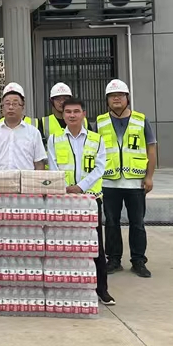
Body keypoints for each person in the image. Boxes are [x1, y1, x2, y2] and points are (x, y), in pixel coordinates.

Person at [47, 97, 115, 306]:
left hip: (90, 199)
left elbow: (100, 168)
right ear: (63, 114)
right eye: (68, 112)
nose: (72, 115)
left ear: (84, 114)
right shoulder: (54, 139)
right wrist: (65, 187)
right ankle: (69, 288)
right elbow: (53, 166)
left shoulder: (97, 139)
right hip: (63, 199)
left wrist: (81, 187)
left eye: (76, 111)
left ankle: (102, 290)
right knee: (65, 244)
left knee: (95, 245)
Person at [96, 79, 157, 278]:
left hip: (135, 182)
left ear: (127, 98)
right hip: (109, 181)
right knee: (111, 223)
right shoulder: (100, 122)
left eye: (120, 95)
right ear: (107, 100)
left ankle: (138, 261)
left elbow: (151, 149)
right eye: (112, 96)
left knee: (137, 223)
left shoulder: (141, 120)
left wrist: (149, 176)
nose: (116, 99)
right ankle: (113, 260)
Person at [0, 83, 46, 171]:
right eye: (7, 103)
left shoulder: (33, 133)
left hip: (26, 179)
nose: (11, 107)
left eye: (15, 104)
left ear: (22, 106)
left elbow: (39, 163)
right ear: (2, 106)